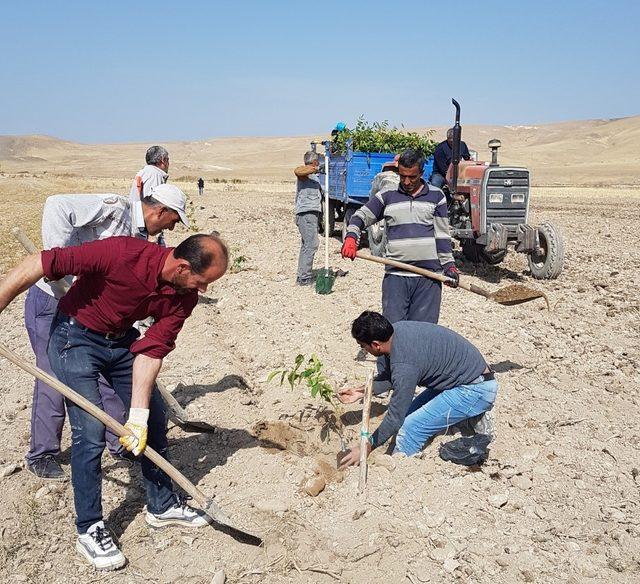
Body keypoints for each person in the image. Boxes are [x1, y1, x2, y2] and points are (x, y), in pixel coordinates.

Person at [0, 232, 227, 570]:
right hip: (73, 337)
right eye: (202, 280)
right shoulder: (122, 253)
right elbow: (40, 262)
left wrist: (137, 415)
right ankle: (89, 527)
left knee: (153, 418)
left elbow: (151, 351)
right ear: (181, 267)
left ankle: (161, 506)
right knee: (90, 431)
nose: (204, 289)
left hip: (121, 340)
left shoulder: (184, 297)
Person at [23, 185, 189, 480]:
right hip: (53, 300)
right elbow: (57, 204)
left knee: (110, 371)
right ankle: (42, 454)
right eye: (174, 219)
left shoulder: (142, 239)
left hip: (95, 317)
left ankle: (117, 440)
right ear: (160, 210)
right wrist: (58, 268)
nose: (173, 226)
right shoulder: (115, 208)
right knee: (53, 377)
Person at [338, 311, 497, 467]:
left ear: (375, 345)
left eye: (363, 346)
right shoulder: (396, 332)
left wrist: (366, 447)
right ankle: (465, 416)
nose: (364, 350)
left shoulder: (404, 366)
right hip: (460, 379)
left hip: (475, 389)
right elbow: (390, 377)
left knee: (410, 428)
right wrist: (362, 391)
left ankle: (401, 469)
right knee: (409, 415)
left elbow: (395, 417)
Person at [341, 148, 459, 325]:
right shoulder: (387, 196)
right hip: (396, 277)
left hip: (428, 278)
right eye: (402, 176)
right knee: (394, 331)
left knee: (424, 332)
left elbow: (442, 235)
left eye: (412, 177)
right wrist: (351, 236)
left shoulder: (437, 196)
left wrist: (449, 266)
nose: (406, 181)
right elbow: (361, 216)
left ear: (422, 172)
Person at [294, 151, 322, 286]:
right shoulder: (304, 174)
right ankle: (305, 278)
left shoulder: (314, 176)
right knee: (311, 244)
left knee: (306, 245)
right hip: (306, 214)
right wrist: (315, 169)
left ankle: (302, 276)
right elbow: (298, 171)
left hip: (311, 215)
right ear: (314, 162)